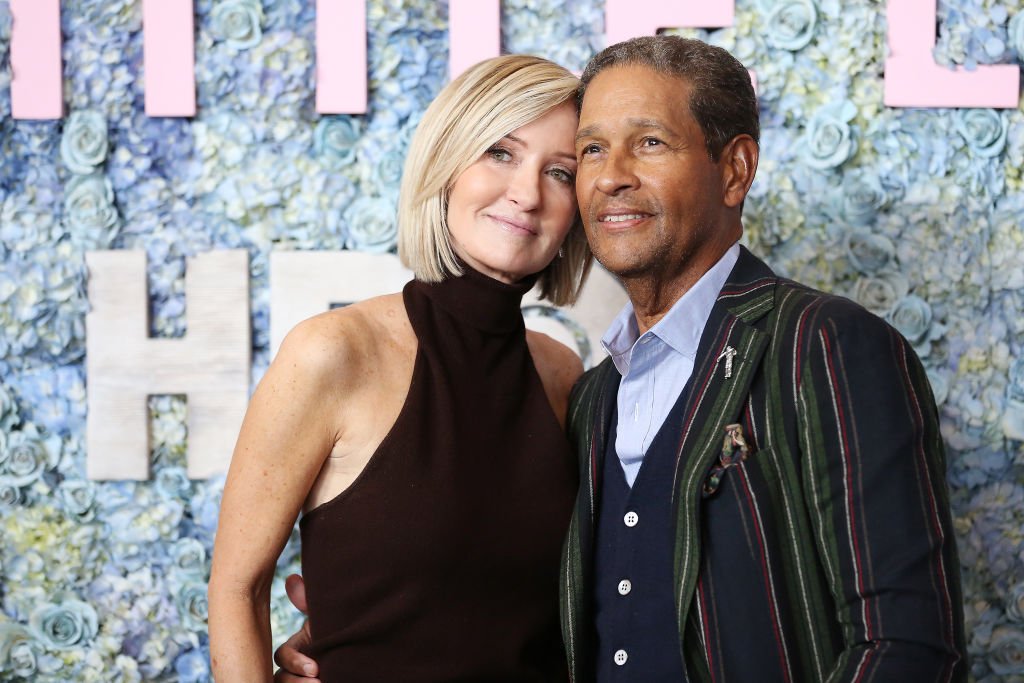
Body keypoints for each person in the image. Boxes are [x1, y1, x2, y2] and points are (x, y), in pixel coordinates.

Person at [275, 36, 967, 683]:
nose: (612, 177)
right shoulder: (588, 393)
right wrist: (358, 634)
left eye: (650, 143)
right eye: (593, 152)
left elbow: (906, 643)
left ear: (735, 171)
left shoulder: (826, 343)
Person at [208, 53, 592, 682]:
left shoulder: (561, 376)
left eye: (560, 172)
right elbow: (235, 589)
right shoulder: (332, 353)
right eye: (500, 152)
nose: (527, 193)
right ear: (446, 162)